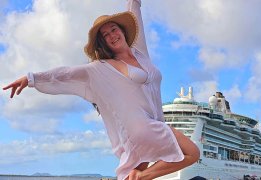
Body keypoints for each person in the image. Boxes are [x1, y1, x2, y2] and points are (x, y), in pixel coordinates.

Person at [2, 0, 200, 179]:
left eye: (113, 29)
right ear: (103, 43)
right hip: (142, 128)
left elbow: (134, 10)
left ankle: (140, 176)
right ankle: (143, 177)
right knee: (192, 153)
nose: (112, 36)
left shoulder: (140, 53)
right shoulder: (101, 68)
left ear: (122, 30)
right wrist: (31, 78)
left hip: (148, 125)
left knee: (134, 174)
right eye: (105, 35)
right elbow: (66, 73)